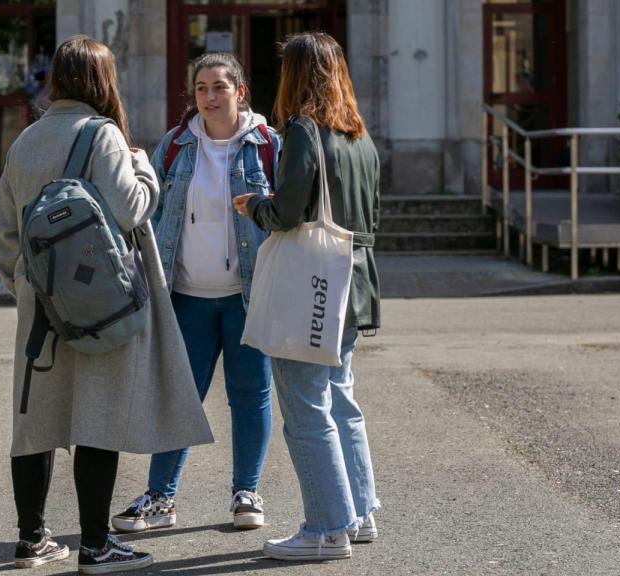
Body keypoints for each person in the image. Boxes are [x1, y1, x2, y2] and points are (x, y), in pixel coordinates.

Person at [0, 36, 213, 573]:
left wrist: (29, 289)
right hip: (101, 302)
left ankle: (31, 540)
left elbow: (5, 233)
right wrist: (145, 169)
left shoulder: (25, 140)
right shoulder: (103, 134)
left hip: (41, 303)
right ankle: (95, 546)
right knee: (97, 417)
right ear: (102, 80)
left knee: (36, 421)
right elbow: (130, 208)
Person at [111, 53, 280, 534]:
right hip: (186, 296)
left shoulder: (269, 145)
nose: (209, 97)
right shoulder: (176, 145)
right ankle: (161, 496)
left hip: (250, 297)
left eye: (219, 87)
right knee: (180, 399)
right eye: (201, 88)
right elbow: (148, 209)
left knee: (251, 396)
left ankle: (246, 492)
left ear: (240, 92)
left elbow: (288, 212)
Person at [233, 32, 382, 561]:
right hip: (354, 282)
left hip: (312, 286)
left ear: (295, 74)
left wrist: (255, 205)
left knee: (305, 409)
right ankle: (359, 515)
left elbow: (288, 212)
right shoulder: (360, 136)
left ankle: (325, 529)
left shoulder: (303, 130)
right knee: (341, 400)